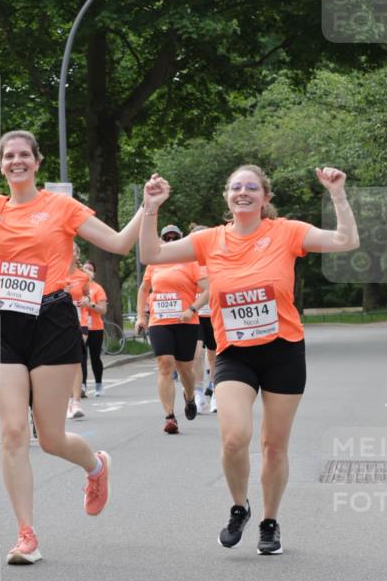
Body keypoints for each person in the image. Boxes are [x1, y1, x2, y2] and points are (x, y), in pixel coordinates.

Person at [0, 125, 143, 565]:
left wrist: (148, 207)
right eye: (8, 156)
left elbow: (120, 244)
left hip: (51, 319)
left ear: (37, 161)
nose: (16, 161)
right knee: (12, 431)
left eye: (23, 155)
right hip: (4, 321)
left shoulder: (61, 206)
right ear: (0, 164)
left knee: (49, 438)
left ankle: (96, 467)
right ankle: (26, 534)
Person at [140, 164, 359, 554]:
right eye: (236, 187)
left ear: (265, 198)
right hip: (234, 354)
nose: (243, 192)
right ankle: (239, 506)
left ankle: (270, 522)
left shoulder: (286, 232)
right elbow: (150, 252)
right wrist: (151, 207)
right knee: (234, 438)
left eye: (252, 187)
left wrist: (337, 194)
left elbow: (345, 240)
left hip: (283, 350)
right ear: (227, 196)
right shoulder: (208, 240)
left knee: (274, 446)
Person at [136, 224, 209, 434]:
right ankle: (169, 416)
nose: (169, 242)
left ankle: (190, 397)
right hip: (159, 322)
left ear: (180, 239)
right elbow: (143, 290)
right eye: (166, 238)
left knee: (185, 368)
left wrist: (192, 309)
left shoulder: (191, 262)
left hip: (185, 321)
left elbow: (208, 290)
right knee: (165, 365)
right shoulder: (154, 264)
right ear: (160, 241)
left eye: (173, 238)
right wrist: (141, 316)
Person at [190, 224, 217, 413]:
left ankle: (215, 389)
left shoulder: (216, 260)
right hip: (195, 315)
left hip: (215, 314)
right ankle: (198, 392)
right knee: (196, 353)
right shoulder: (187, 262)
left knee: (214, 356)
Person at [64, 243, 91, 418]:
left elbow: (88, 295)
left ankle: (76, 402)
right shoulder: (56, 274)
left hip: (79, 321)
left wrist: (87, 300)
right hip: (60, 321)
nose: (70, 253)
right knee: (62, 362)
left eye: (73, 250)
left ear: (77, 254)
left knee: (75, 360)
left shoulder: (83, 276)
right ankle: (65, 401)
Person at [78, 260, 107, 397]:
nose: (87, 271)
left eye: (90, 269)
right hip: (81, 326)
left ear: (94, 273)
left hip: (95, 328)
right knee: (81, 357)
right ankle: (82, 386)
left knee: (95, 357)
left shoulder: (98, 288)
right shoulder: (77, 285)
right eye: (85, 268)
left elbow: (103, 310)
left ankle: (98, 384)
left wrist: (91, 305)